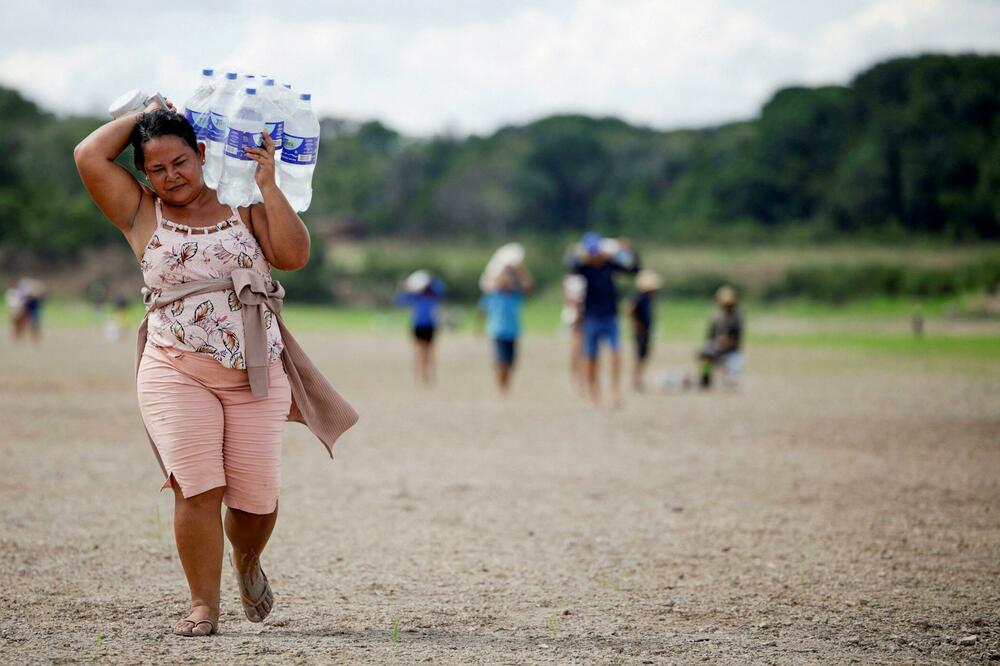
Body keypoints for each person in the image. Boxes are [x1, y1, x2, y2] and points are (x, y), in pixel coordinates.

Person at [74, 100, 357, 637]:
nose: (169, 177)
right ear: (142, 174)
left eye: (179, 161)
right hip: (174, 366)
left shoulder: (242, 201)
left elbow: (294, 257)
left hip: (255, 368)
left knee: (256, 499)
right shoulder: (141, 211)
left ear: (202, 153)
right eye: (155, 168)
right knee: (196, 486)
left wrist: (269, 184)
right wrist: (146, 115)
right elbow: (88, 154)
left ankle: (246, 560)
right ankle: (203, 605)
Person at [567, 232, 640, 407]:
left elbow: (633, 268)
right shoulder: (584, 268)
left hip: (610, 316)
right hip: (591, 317)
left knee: (616, 355)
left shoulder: (610, 264)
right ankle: (594, 393)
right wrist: (575, 251)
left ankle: (615, 393)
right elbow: (570, 263)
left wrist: (627, 251)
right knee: (591, 358)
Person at [478, 263, 533, 395]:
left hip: (513, 332)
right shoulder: (493, 296)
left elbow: (528, 287)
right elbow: (482, 312)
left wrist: (520, 270)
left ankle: (505, 384)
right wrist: (478, 328)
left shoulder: (515, 296)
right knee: (501, 360)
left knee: (511, 362)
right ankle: (501, 387)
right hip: (497, 331)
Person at [395, 270, 446, 385]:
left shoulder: (433, 294)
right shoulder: (414, 296)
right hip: (417, 325)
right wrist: (406, 287)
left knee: (429, 352)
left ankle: (427, 375)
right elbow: (399, 300)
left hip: (430, 325)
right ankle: (417, 376)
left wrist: (430, 279)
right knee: (417, 351)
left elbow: (442, 289)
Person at [697, 285, 744, 389]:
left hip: (732, 351)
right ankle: (705, 379)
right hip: (717, 347)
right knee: (704, 355)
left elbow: (736, 339)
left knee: (731, 383)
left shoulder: (736, 318)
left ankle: (728, 375)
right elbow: (710, 337)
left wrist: (725, 342)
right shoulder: (716, 316)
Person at [628, 269, 662, 392]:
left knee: (644, 355)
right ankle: (636, 379)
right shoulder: (639, 297)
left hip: (646, 329)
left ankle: (639, 378)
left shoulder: (648, 297)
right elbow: (630, 309)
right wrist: (636, 323)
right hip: (640, 330)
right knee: (639, 355)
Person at [561, 274, 586, 394]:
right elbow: (567, 299)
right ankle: (575, 379)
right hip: (574, 316)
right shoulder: (570, 280)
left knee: (584, 351)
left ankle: (582, 380)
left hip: (586, 315)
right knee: (576, 350)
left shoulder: (586, 276)